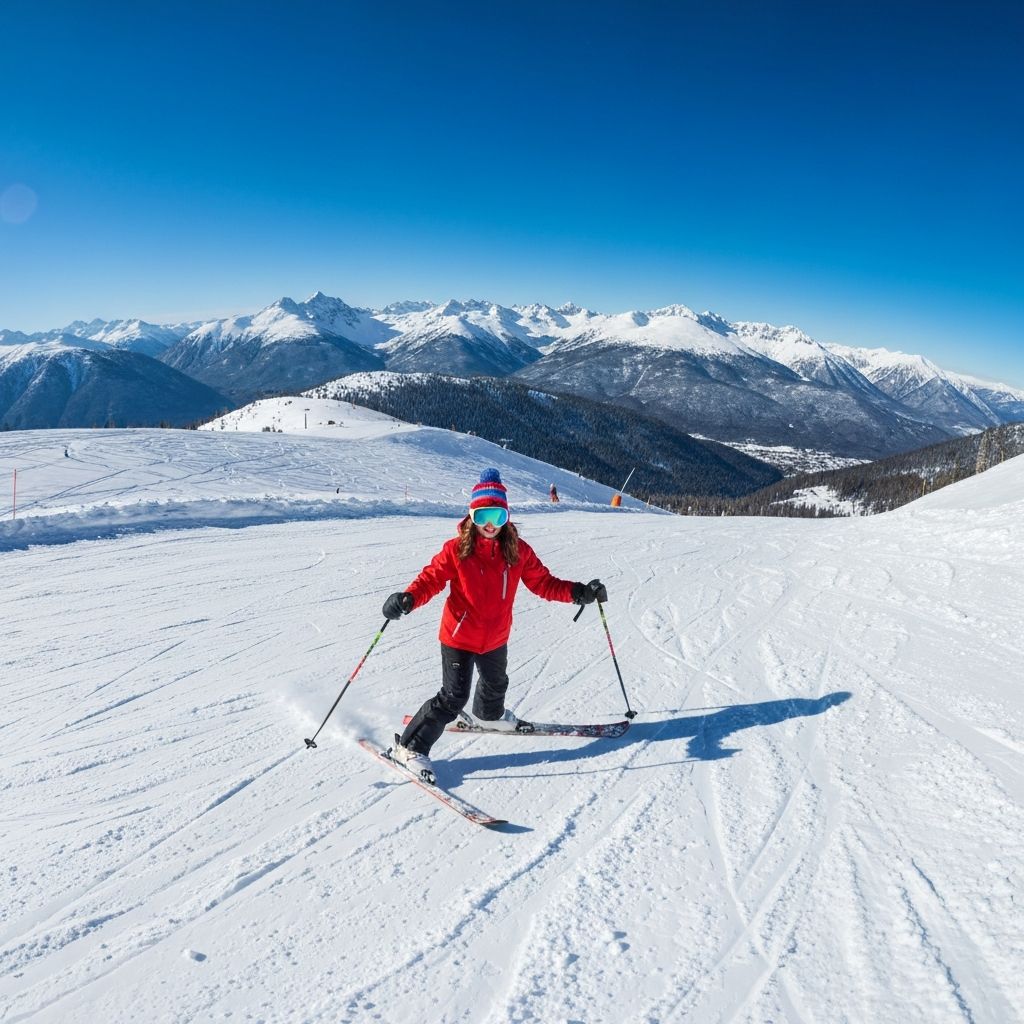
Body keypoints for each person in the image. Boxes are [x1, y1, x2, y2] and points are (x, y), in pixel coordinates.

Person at [381, 467, 607, 783]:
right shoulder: (456, 550)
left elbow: (544, 583)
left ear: (506, 518)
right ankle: (409, 747)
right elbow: (431, 579)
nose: (490, 525)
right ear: (472, 515)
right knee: (452, 697)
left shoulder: (517, 551)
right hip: (459, 636)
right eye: (484, 516)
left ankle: (490, 716)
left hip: (495, 637)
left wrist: (579, 592)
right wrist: (407, 598)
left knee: (496, 683)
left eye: (498, 517)